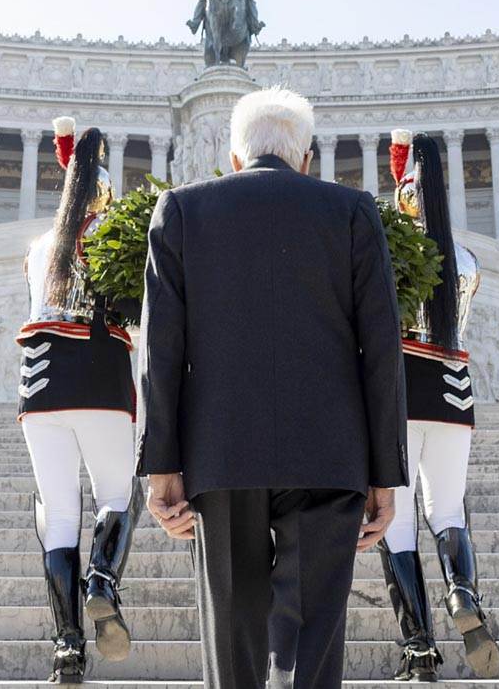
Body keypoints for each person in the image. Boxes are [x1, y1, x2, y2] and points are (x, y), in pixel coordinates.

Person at [137, 88, 407, 689]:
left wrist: (162, 465)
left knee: (232, 638)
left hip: (221, 451)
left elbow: (161, 350)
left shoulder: (180, 211)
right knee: (313, 645)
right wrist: (385, 473)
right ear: (305, 159)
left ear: (235, 159)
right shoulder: (353, 211)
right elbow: (382, 349)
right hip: (329, 453)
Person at [15, 117, 141, 683]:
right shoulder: (117, 237)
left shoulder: (39, 246)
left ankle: (67, 649)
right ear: (107, 192)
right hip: (98, 378)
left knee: (57, 514)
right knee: (118, 495)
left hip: (38, 385)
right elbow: (137, 319)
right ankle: (101, 582)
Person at [377, 131, 499, 682]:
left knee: (396, 525)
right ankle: (462, 593)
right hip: (454, 397)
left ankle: (419, 648)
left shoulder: (390, 256)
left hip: (401, 398)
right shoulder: (468, 260)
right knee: (448, 512)